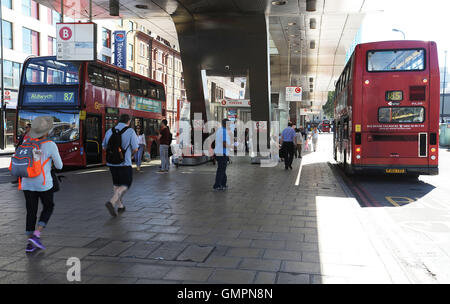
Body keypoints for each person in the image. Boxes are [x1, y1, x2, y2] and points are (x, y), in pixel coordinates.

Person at [20, 116, 63, 252]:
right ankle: (37, 234)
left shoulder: (26, 142)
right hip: (44, 184)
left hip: (27, 183)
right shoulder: (50, 145)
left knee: (30, 212)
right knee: (48, 206)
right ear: (46, 132)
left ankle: (30, 244)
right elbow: (60, 166)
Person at [102, 114, 139, 216]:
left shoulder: (110, 131)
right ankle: (112, 202)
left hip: (111, 163)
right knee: (126, 183)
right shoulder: (130, 131)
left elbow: (104, 147)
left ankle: (120, 206)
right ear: (129, 121)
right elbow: (136, 148)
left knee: (116, 184)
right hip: (124, 162)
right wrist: (131, 156)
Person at [213, 119, 231, 191]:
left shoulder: (219, 130)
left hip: (218, 152)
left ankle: (223, 184)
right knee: (221, 170)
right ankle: (217, 186)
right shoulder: (224, 131)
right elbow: (224, 144)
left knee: (222, 169)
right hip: (222, 153)